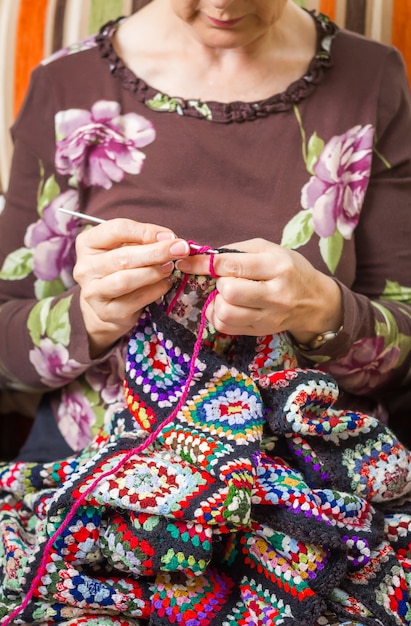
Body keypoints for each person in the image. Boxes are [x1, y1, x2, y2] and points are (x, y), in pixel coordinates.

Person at [0, 1, 410, 624]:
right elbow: (7, 347)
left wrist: (321, 307)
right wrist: (92, 318)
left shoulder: (372, 77)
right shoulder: (67, 86)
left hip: (314, 473)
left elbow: (402, 355)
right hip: (95, 458)